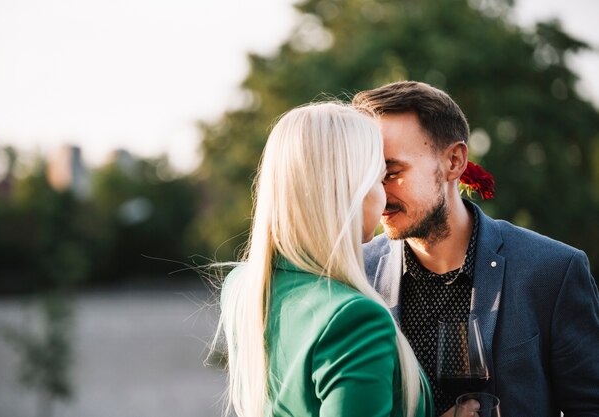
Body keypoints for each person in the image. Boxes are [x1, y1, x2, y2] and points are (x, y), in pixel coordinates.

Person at [353, 80, 599, 417]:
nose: (376, 192)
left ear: (454, 161)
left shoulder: (553, 270)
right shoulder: (356, 275)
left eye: (391, 173)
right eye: (365, 175)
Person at [214, 102, 433, 417]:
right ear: (348, 189)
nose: (384, 196)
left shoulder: (241, 285)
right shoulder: (354, 319)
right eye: (379, 178)